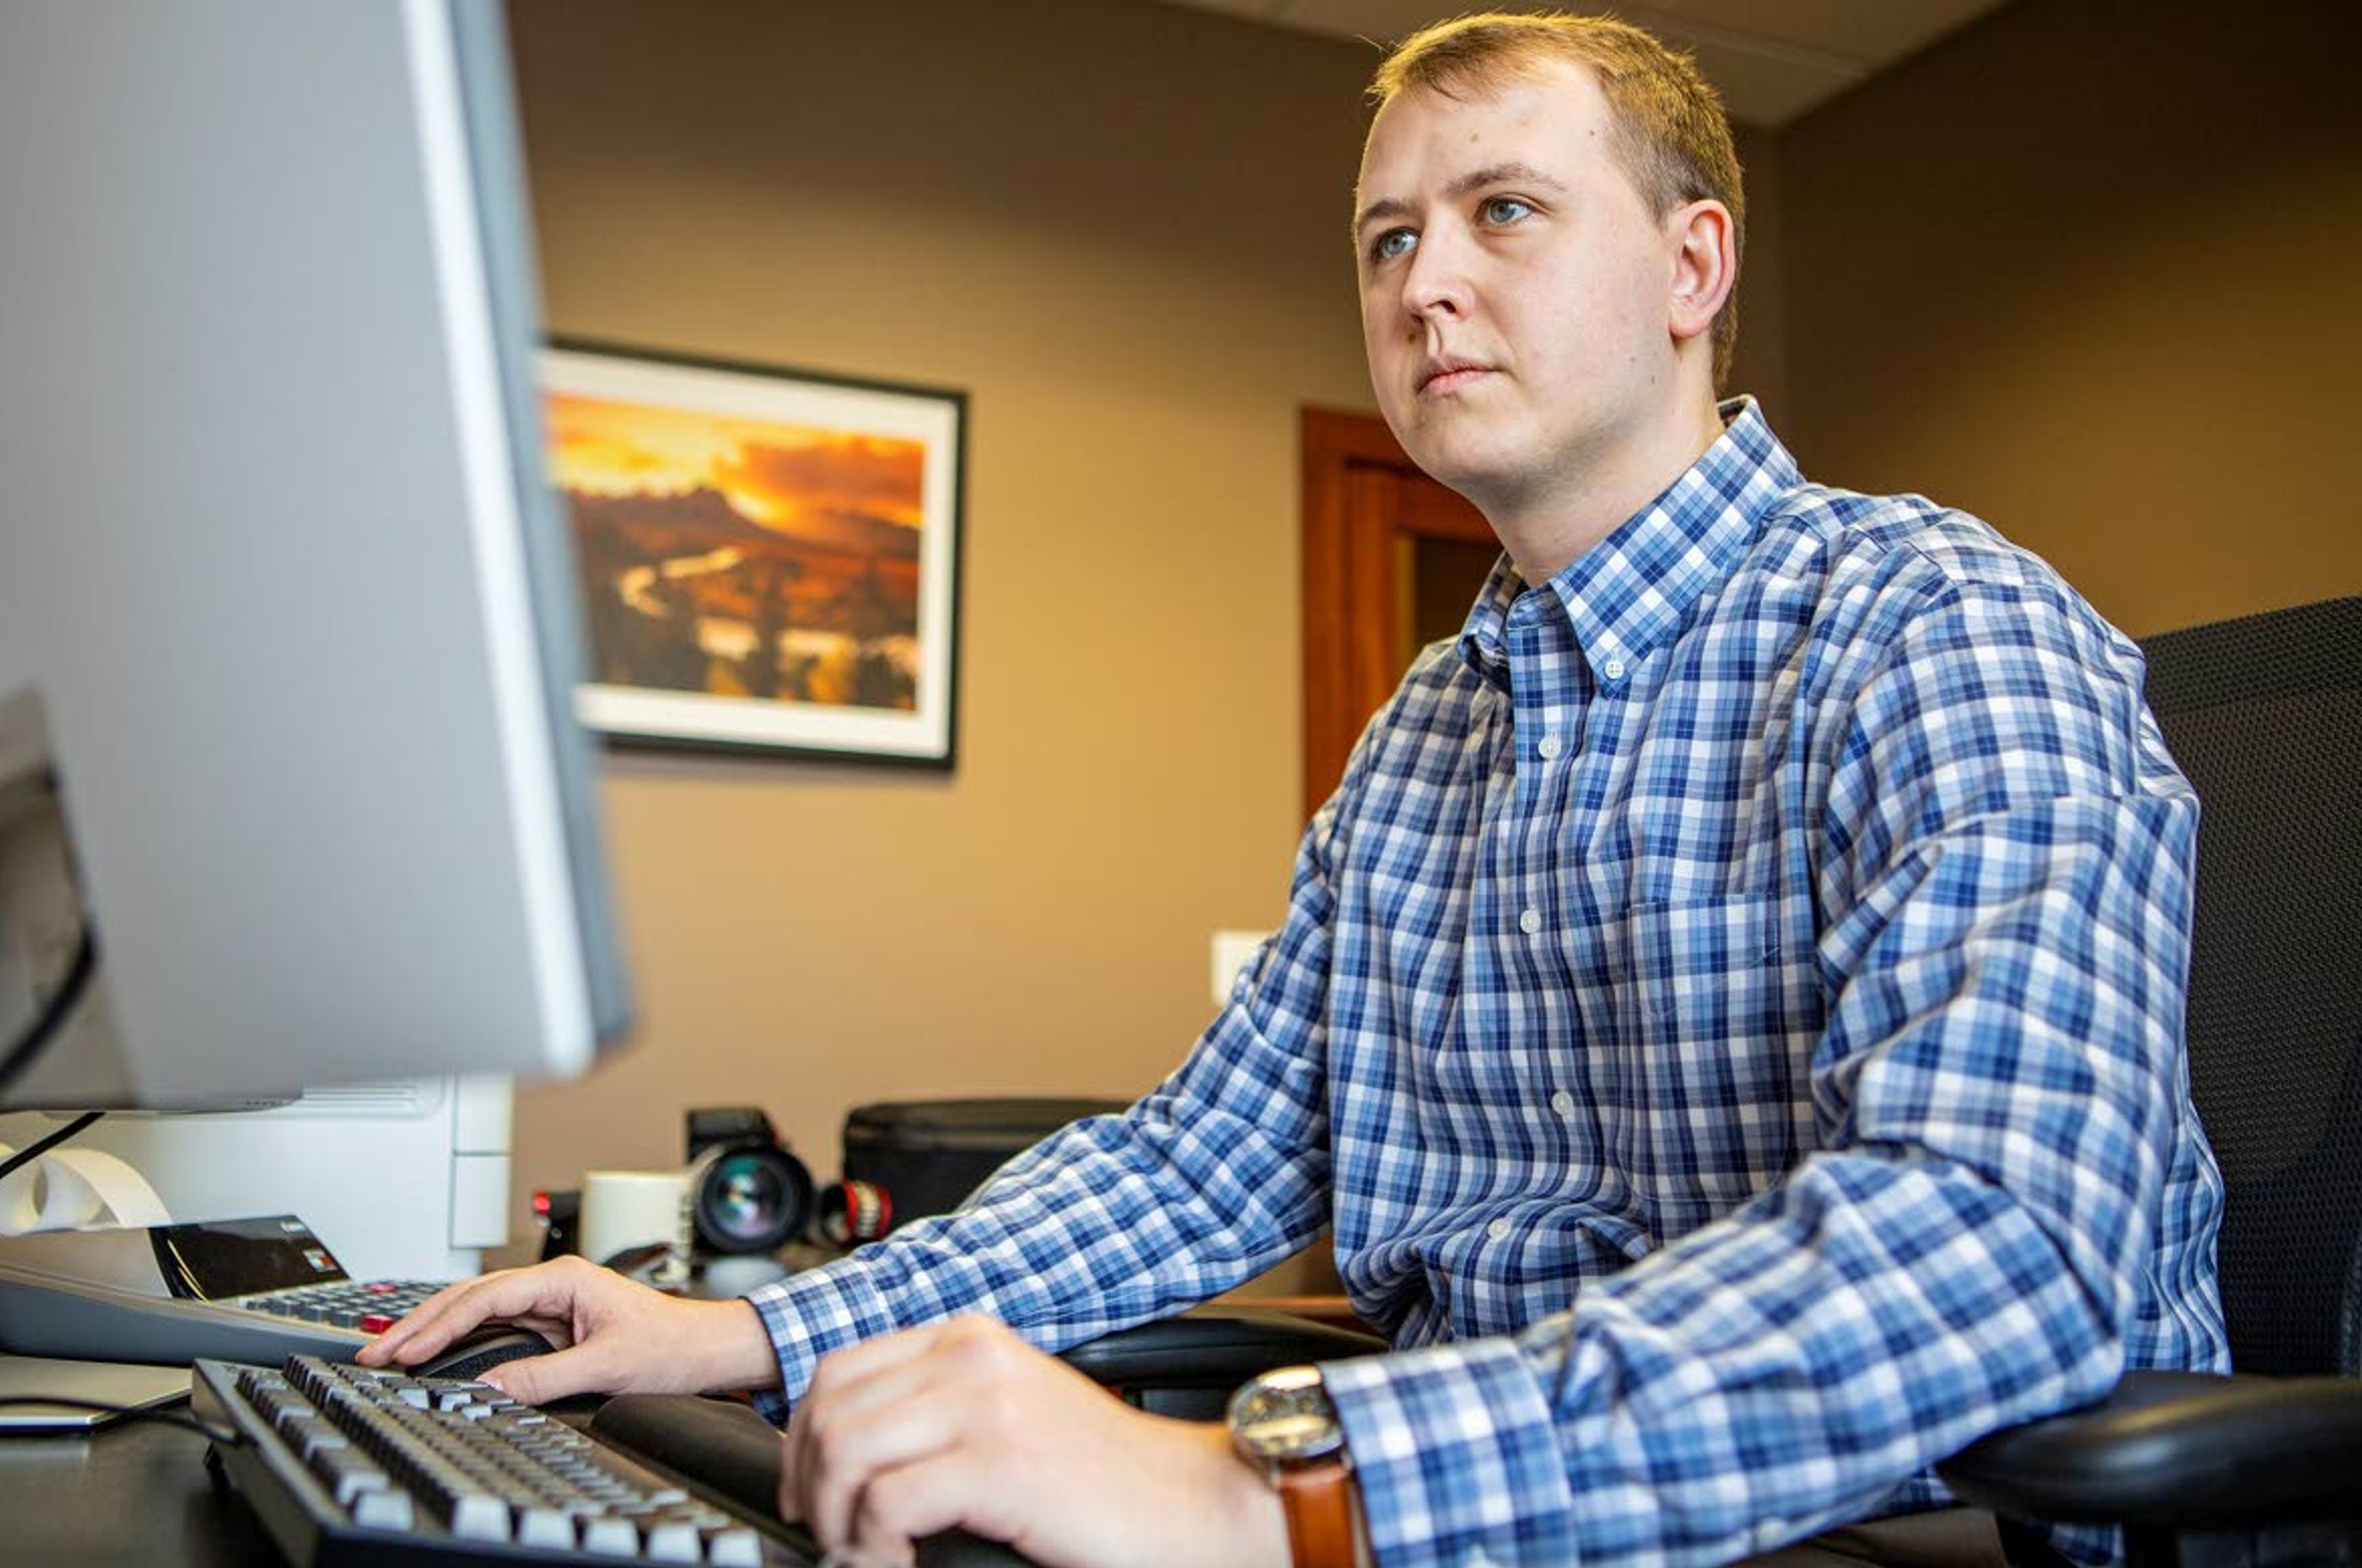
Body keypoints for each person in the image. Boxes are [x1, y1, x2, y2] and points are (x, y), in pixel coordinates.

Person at [364, 14, 2228, 1567]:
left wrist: (1265, 1493)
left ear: (1692, 266)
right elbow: (1197, 1162)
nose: (1429, 283)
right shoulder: (1431, 727)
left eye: (1504, 211)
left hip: (1861, 1532)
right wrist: (742, 1327)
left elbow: (1996, 1250)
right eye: (1388, 240)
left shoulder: (1938, 629)